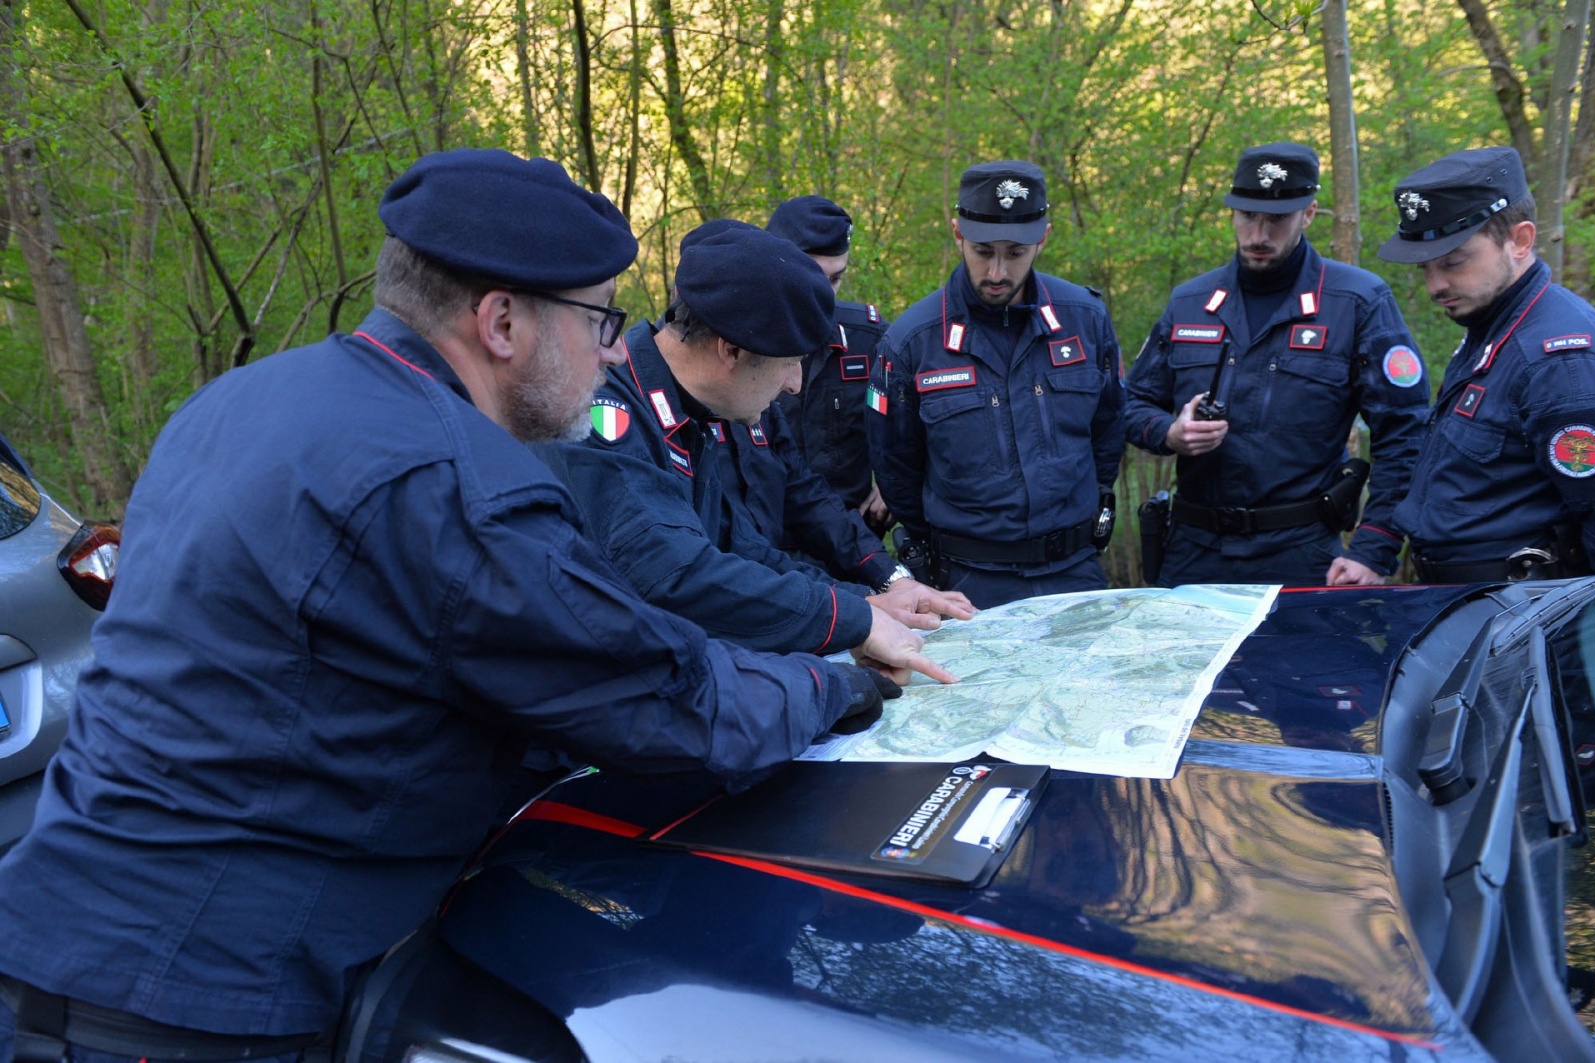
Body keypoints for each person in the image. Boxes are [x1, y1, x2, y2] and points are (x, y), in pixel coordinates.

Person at [0, 149, 924, 1057]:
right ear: (503, 323)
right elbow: (669, 704)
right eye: (602, 320)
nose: (614, 352)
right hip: (194, 1003)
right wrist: (834, 685)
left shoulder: (244, 401)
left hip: (70, 938)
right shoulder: (449, 482)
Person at [541, 223, 970, 666]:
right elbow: (677, 576)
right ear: (731, 352)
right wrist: (852, 621)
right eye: (789, 364)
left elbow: (744, 551)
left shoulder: (692, 408)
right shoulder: (606, 414)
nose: (795, 385)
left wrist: (872, 600)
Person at [1124, 142, 1429, 588]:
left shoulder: (1356, 302)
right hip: (1194, 553)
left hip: (1302, 553)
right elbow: (1130, 404)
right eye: (1248, 216)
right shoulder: (1191, 303)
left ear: (1308, 214)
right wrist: (1168, 433)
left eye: (1277, 219)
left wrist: (1374, 548)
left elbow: (1406, 432)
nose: (1258, 235)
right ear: (1231, 212)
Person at [867, 160, 1126, 608]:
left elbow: (1107, 430)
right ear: (957, 234)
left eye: (1016, 252)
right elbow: (896, 467)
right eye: (984, 251)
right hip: (968, 582)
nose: (998, 272)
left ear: (1043, 238)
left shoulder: (1084, 319)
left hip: (1075, 572)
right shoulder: (913, 341)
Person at [1379, 146, 1595, 580]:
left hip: (1519, 616)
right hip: (1468, 607)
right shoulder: (1492, 324)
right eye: (1425, 268)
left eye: (1454, 262)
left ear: (1519, 240)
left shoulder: (1561, 360)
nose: (1435, 285)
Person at [765, 195, 893, 534]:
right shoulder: (735, 339)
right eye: (812, 278)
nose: (824, 297)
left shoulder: (869, 337)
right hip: (763, 545)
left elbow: (925, 422)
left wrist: (899, 485)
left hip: (853, 542)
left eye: (835, 280)